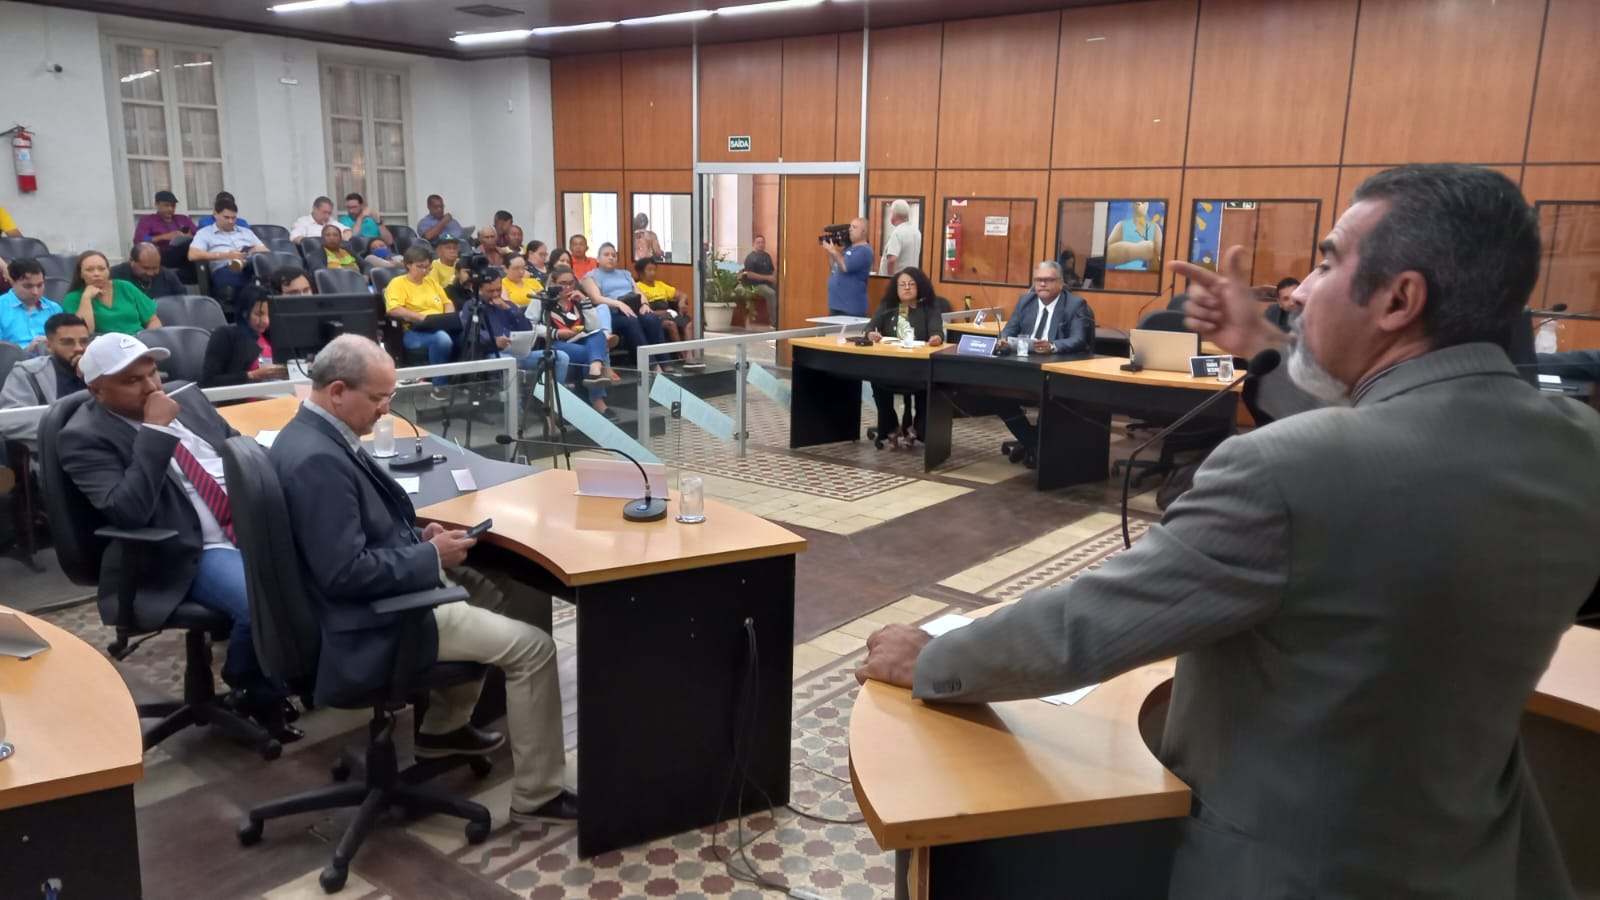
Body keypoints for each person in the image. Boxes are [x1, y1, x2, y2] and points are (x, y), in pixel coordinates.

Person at [863, 164, 1600, 899]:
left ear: (1400, 299)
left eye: (1327, 263)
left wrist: (937, 657)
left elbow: (1089, 627)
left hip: (1289, 870)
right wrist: (1259, 342)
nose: (1301, 291)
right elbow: (1402, 446)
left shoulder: (1280, 472)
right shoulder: (1577, 444)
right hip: (1484, 858)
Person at [268, 335, 575, 821]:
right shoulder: (318, 461)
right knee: (534, 649)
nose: (385, 409)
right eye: (378, 397)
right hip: (371, 619)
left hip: (367, 601)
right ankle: (539, 795)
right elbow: (343, 572)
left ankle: (442, 730)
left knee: (491, 591)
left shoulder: (311, 435)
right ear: (338, 391)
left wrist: (416, 537)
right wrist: (429, 555)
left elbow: (353, 532)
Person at [60, 334, 300, 740]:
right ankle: (252, 684)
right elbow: (128, 511)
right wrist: (155, 431)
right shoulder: (83, 437)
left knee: (325, 564)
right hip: (187, 547)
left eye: (152, 372)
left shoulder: (186, 398)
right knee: (261, 600)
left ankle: (296, 672)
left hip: (250, 524)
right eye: (132, 380)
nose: (151, 386)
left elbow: (238, 449)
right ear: (97, 390)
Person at [994, 261, 1095, 467]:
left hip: (1058, 369)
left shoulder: (1075, 305)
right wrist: (1003, 341)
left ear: (1060, 283)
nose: (1042, 284)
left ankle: (1036, 447)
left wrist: (1053, 346)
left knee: (1049, 400)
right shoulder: (1026, 301)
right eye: (1038, 280)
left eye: (1048, 280)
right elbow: (1008, 331)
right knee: (997, 395)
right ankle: (1034, 443)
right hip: (1024, 365)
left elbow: (1078, 339)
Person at [864, 267, 948, 448]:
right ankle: (891, 426)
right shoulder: (888, 306)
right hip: (891, 365)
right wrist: (871, 334)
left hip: (918, 367)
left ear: (920, 286)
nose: (907, 288)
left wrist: (936, 338)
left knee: (929, 388)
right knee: (877, 381)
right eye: (902, 284)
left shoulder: (929, 307)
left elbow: (937, 332)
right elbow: (870, 327)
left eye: (911, 284)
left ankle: (917, 428)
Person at [0, 313, 88, 454]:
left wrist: (94, 377)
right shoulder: (28, 373)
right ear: (49, 346)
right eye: (67, 342)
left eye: (84, 341)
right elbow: (11, 423)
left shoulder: (102, 372)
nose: (79, 348)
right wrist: (70, 432)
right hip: (52, 455)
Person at [466, 277, 569, 389]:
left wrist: (509, 310)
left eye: (498, 290)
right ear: (480, 290)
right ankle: (515, 400)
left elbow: (527, 329)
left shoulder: (508, 305)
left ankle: (553, 396)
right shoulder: (472, 307)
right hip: (492, 353)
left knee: (561, 357)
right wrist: (494, 340)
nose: (495, 294)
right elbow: (471, 332)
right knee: (508, 361)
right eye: (490, 291)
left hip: (518, 352)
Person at [384, 245, 458, 392]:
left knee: (468, 336)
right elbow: (394, 309)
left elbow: (447, 302)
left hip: (439, 324)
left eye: (427, 267)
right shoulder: (398, 283)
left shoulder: (431, 282)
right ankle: (440, 387)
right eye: (420, 267)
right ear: (408, 265)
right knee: (442, 339)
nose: (424, 271)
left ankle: (464, 383)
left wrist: (448, 317)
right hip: (413, 331)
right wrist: (421, 317)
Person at [545, 266, 614, 416]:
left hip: (578, 338)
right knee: (590, 353)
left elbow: (594, 326)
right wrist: (557, 333)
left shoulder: (576, 300)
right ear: (553, 283)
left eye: (571, 283)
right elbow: (532, 327)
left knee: (599, 335)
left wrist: (585, 302)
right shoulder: (543, 300)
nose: (568, 287)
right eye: (563, 284)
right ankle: (598, 400)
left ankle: (594, 369)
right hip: (555, 343)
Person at [582, 242, 666, 362]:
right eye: (606, 255)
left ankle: (664, 360)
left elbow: (638, 292)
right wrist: (619, 304)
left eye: (614, 255)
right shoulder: (591, 276)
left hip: (633, 308)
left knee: (651, 318)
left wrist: (644, 304)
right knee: (631, 321)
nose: (611, 257)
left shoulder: (625, 274)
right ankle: (651, 363)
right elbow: (596, 298)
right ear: (598, 259)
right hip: (612, 313)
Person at [202, 287, 289, 387]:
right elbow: (209, 381)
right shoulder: (225, 335)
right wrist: (251, 375)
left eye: (269, 315)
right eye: (259, 314)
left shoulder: (275, 336)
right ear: (244, 313)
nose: (266, 321)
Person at [63, 250, 161, 336]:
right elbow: (85, 333)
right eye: (89, 270)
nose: (96, 274)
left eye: (101, 269)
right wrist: (86, 298)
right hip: (103, 345)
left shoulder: (125, 287)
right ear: (81, 274)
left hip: (138, 341)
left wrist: (149, 338)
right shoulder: (73, 298)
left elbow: (152, 320)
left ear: (108, 271)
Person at [189, 198, 269, 298]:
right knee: (251, 284)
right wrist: (227, 255)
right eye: (226, 217)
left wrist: (255, 250)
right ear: (216, 215)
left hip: (251, 266)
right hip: (225, 268)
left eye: (234, 218)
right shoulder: (205, 233)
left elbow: (266, 251)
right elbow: (192, 255)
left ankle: (244, 264)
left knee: (262, 265)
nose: (231, 221)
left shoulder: (246, 232)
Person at [0, 257, 63, 353]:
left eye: (40, 285)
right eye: (28, 286)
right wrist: (26, 351)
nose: (35, 292)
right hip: (12, 360)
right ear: (12, 282)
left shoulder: (54, 308)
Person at [633, 257, 691, 350]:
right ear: (641, 272)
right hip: (653, 314)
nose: (653, 273)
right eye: (649, 270)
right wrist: (661, 313)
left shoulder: (660, 285)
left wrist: (682, 302)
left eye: (654, 270)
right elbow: (640, 309)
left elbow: (683, 295)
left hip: (668, 312)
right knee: (671, 324)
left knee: (688, 324)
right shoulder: (637, 287)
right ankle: (682, 353)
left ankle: (689, 353)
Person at [133, 190, 197, 270]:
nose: (170, 209)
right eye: (166, 205)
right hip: (162, 254)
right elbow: (140, 240)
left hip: (186, 254)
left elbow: (199, 234)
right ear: (157, 205)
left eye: (173, 206)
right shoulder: (148, 220)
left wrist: (189, 236)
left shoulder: (183, 219)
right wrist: (163, 237)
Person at [823, 218, 872, 317]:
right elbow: (834, 266)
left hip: (851, 308)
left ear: (863, 231)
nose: (850, 229)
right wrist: (830, 252)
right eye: (850, 227)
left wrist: (834, 251)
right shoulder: (847, 249)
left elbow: (845, 267)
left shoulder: (864, 250)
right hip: (836, 305)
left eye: (854, 227)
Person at [110, 242, 186, 300]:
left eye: (155, 268)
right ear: (132, 261)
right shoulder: (114, 276)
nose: (150, 273)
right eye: (146, 268)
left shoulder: (168, 276)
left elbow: (184, 301)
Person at [1105, 200, 1163, 271]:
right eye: (1136, 202)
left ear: (1148, 204)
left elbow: (1161, 257)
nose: (1140, 204)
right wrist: (1137, 249)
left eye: (1143, 202)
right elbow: (1107, 254)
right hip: (1120, 273)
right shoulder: (1121, 225)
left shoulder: (1155, 228)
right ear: (1132, 205)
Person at [880, 200, 922, 276]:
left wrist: (891, 278)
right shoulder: (916, 232)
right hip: (911, 277)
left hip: (898, 279)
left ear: (894, 214)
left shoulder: (897, 233)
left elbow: (892, 260)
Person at [740, 234, 777, 305]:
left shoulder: (767, 256)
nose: (761, 244)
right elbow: (750, 275)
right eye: (758, 242)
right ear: (754, 244)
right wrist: (768, 278)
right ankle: (774, 313)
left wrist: (775, 278)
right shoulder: (750, 257)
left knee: (783, 291)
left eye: (762, 242)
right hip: (755, 286)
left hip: (768, 283)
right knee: (771, 293)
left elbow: (772, 270)